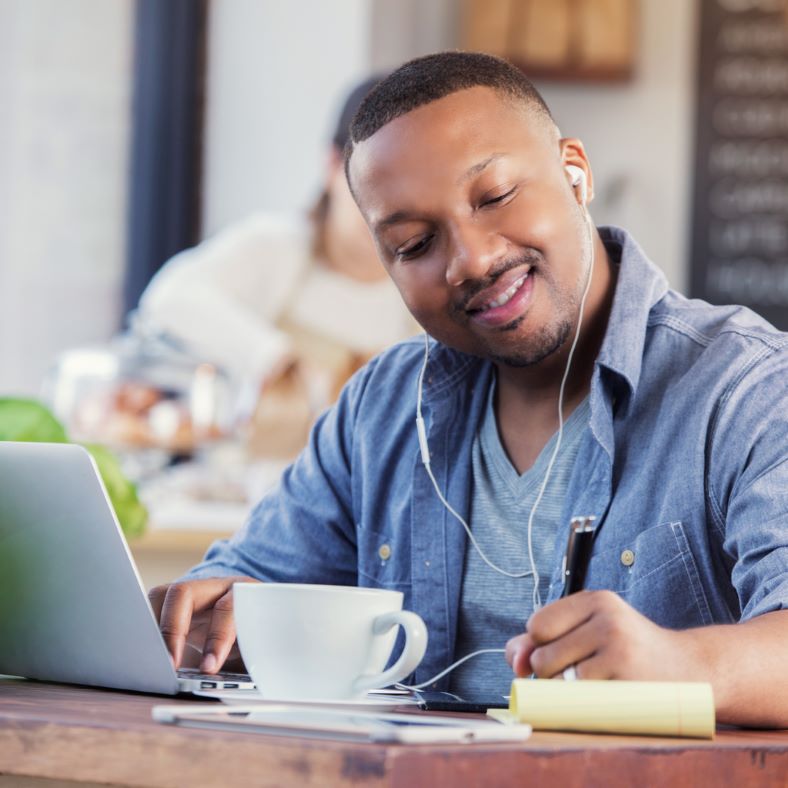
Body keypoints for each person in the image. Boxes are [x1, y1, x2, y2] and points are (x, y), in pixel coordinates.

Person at [149, 52, 788, 727]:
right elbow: (240, 596)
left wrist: (680, 666)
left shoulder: (746, 390)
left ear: (576, 172)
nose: (472, 260)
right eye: (416, 242)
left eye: (495, 197)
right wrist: (217, 625)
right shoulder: (381, 410)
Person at [134, 76, 417, 458]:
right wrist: (275, 357)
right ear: (332, 164)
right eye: (377, 182)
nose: (392, 212)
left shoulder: (424, 288)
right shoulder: (278, 247)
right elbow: (170, 298)